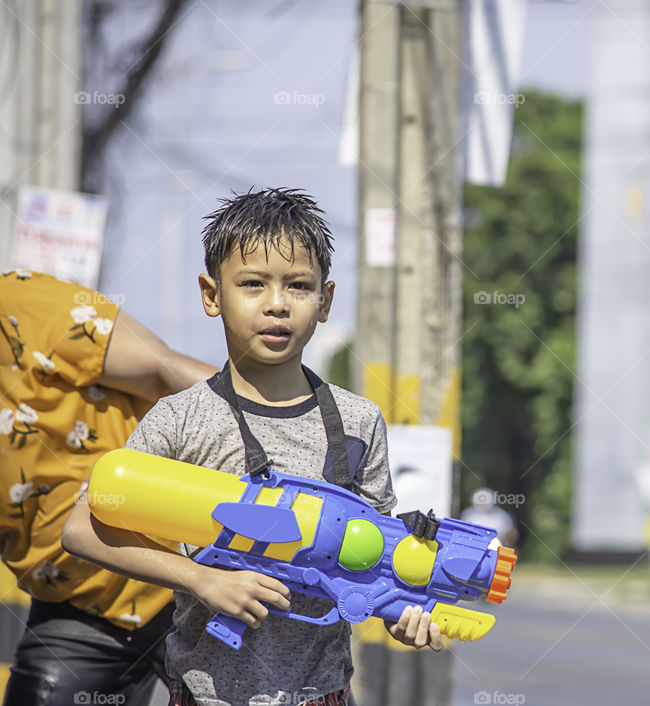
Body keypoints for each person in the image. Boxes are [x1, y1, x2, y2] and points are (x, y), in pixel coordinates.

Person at [63, 188, 443, 706]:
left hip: (323, 693)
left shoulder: (359, 421)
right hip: (206, 694)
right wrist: (201, 580)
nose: (277, 303)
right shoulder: (182, 418)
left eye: (299, 286)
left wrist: (406, 615)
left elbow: (371, 564)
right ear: (212, 294)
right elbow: (82, 529)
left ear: (325, 301)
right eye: (253, 284)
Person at [0, 268, 216, 706]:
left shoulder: (18, 304)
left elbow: (163, 370)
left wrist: (277, 431)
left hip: (199, 572)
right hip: (79, 607)